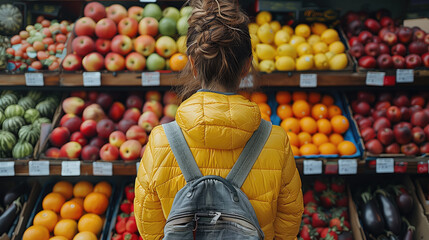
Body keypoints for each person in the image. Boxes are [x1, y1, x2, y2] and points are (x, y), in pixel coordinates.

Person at [134, 0, 304, 239]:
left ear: (193, 64)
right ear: (246, 66)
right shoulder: (275, 140)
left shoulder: (162, 140)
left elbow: (148, 226)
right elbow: (290, 221)